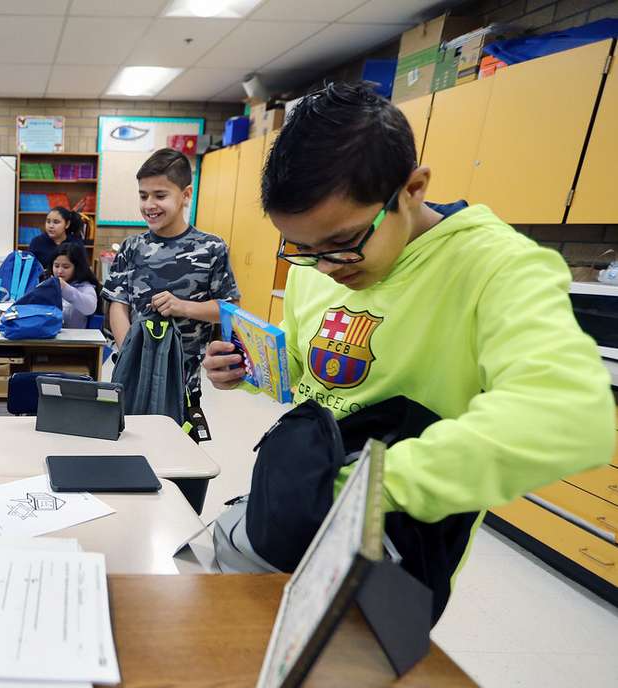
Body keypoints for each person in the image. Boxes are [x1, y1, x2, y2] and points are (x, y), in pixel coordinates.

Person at [203, 82, 614, 572]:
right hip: (306, 491)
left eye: (343, 241)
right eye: (301, 247)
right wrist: (248, 367)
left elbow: (570, 419)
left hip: (395, 537)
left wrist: (372, 486)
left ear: (413, 188)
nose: (325, 266)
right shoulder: (315, 266)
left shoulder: (499, 266)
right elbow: (308, 368)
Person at [104, 148, 239, 421]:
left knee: (176, 455)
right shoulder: (132, 247)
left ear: (186, 195)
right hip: (131, 376)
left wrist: (184, 307)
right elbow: (118, 305)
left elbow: (230, 309)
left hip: (183, 382)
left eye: (160, 195)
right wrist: (133, 351)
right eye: (143, 196)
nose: (149, 205)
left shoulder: (211, 247)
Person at [47, 241, 99, 329]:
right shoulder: (47, 283)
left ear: (77, 267)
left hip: (76, 340)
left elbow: (90, 308)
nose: (59, 271)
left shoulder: (85, 287)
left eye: (66, 267)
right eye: (56, 266)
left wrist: (65, 288)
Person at [28, 206, 85, 272]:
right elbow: (29, 270)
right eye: (48, 221)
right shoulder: (37, 242)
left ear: (67, 224)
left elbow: (83, 269)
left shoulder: (76, 243)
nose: (51, 226)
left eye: (56, 222)